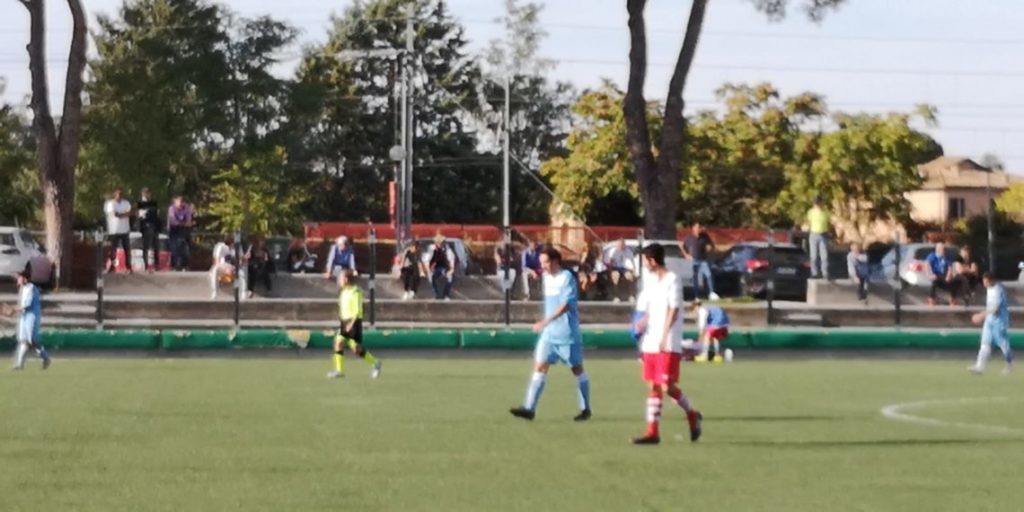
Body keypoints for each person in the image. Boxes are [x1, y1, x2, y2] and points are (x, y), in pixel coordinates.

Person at [630, 243, 702, 445]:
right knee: (653, 385)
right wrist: (643, 322)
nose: (644, 265)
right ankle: (652, 432)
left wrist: (664, 335)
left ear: (652, 260)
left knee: (666, 386)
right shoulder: (652, 282)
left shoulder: (673, 279)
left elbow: (674, 309)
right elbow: (652, 309)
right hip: (650, 341)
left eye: (645, 261)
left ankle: (692, 414)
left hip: (667, 341)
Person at [510, 247, 592, 422]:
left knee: (577, 369)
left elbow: (566, 305)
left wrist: (545, 321)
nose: (542, 266)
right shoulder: (546, 278)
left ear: (555, 261)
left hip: (566, 333)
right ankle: (529, 408)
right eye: (541, 263)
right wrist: (546, 324)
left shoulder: (567, 277)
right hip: (549, 334)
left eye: (545, 262)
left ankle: (585, 408)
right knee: (539, 366)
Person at [327, 269, 382, 379]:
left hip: (354, 322)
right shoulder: (343, 292)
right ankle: (339, 370)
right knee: (338, 343)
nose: (339, 281)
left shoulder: (355, 292)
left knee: (356, 349)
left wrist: (351, 324)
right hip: (344, 322)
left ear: (346, 279)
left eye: (341, 278)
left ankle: (375, 363)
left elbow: (357, 310)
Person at [969, 273, 1013, 375]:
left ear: (991, 280)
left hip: (1000, 320)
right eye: (984, 282)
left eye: (986, 282)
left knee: (1003, 344)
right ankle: (979, 366)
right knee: (985, 342)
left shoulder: (997, 290)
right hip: (990, 319)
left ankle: (1009, 365)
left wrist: (980, 315)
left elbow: (995, 308)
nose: (984, 284)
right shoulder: (989, 289)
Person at [10, 270, 50, 370]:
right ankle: (20, 364)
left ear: (24, 278)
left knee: (31, 340)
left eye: (19, 277)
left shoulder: (31, 288)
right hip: (24, 317)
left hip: (32, 317)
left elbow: (27, 305)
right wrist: (15, 310)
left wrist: (14, 310)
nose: (17, 280)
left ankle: (45, 358)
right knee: (24, 340)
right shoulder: (23, 289)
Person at [681, 222, 719, 300]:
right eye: (697, 228)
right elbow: (682, 246)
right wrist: (686, 255)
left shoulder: (704, 236)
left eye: (699, 228)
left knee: (708, 275)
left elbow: (711, 244)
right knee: (695, 278)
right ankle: (697, 296)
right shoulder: (689, 238)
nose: (699, 229)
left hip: (703, 260)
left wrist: (710, 248)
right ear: (693, 229)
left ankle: (711, 293)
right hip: (693, 261)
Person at [104, 188, 134, 273]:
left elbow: (131, 213)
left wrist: (123, 214)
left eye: (121, 194)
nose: (119, 196)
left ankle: (128, 267)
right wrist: (125, 214)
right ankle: (113, 266)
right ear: (115, 195)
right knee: (113, 250)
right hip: (114, 230)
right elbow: (115, 215)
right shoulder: (111, 204)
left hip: (125, 230)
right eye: (118, 195)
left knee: (127, 250)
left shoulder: (126, 203)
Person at [806, 196, 831, 280]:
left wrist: (828, 232)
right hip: (814, 234)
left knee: (824, 256)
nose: (818, 205)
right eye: (816, 203)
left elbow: (828, 223)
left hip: (823, 234)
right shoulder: (811, 212)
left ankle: (825, 273)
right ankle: (814, 273)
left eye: (819, 203)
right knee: (813, 256)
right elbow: (809, 222)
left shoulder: (826, 212)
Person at [137, 187, 161, 272]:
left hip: (154, 225)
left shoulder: (153, 203)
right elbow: (141, 215)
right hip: (146, 226)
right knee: (146, 246)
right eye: (145, 193)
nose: (147, 194)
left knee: (155, 245)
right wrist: (146, 213)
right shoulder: (141, 203)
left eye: (148, 193)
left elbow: (156, 213)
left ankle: (156, 264)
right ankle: (146, 264)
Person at [167, 196, 193, 271]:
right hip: (173, 230)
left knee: (185, 247)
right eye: (178, 202)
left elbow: (189, 221)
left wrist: (184, 223)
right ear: (175, 202)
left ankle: (185, 265)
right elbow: (173, 221)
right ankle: (175, 265)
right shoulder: (171, 209)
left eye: (181, 202)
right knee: (174, 248)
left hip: (184, 229)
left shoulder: (186, 208)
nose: (180, 204)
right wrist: (183, 223)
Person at [926, 241, 956, 306]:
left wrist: (948, 276)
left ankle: (952, 299)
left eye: (943, 249)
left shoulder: (945, 257)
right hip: (935, 274)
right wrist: (930, 274)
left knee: (953, 283)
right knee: (934, 282)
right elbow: (928, 266)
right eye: (941, 249)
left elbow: (950, 267)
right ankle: (931, 298)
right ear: (937, 249)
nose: (942, 250)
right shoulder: (932, 256)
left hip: (943, 274)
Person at [427, 234, 456, 300]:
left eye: (440, 242)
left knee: (449, 278)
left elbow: (451, 260)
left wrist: (451, 269)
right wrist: (429, 269)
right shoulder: (432, 250)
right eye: (437, 242)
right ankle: (436, 293)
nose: (438, 244)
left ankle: (446, 294)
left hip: (445, 268)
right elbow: (427, 260)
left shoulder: (447, 250)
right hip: (435, 268)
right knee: (430, 277)